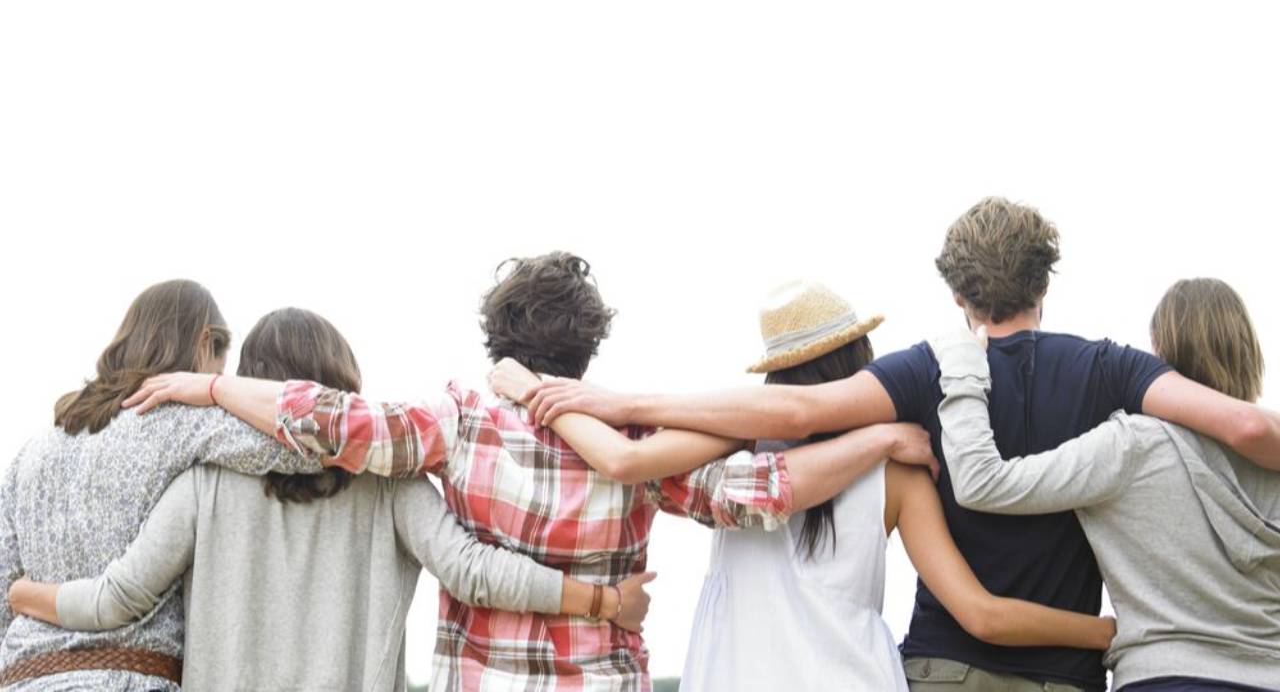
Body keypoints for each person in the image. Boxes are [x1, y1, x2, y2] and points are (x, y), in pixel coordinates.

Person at [511, 199, 1280, 692]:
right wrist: (1114, 633)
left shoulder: (921, 375)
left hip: (933, 669)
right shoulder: (1109, 371)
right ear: (1045, 283)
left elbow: (792, 413)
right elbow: (1241, 427)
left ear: (959, 296)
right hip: (1048, 674)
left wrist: (613, 400)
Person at [114, 253, 937, 692]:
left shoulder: (459, 419)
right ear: (588, 346)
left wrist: (212, 386)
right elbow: (762, 493)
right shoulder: (634, 437)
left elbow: (334, 420)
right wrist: (877, 437)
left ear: (498, 340)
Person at [487, 280, 1118, 691]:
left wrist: (534, 389)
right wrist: (1108, 631)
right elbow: (980, 614)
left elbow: (624, 460)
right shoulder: (896, 467)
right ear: (860, 362)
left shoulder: (732, 449)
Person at [6, 307, 653, 691]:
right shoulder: (390, 485)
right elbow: (472, 571)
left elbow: (119, 597)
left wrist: (22, 593)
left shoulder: (203, 484)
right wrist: (602, 601)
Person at [930, 278, 1280, 692]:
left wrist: (963, 367)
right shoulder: (1272, 456)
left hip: (1165, 677)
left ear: (1159, 353)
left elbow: (983, 482)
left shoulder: (1132, 446)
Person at [0, 280, 325, 691]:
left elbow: (4, 591)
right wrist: (219, 392)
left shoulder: (31, 453)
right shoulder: (181, 423)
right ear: (204, 343)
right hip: (130, 679)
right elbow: (312, 442)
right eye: (219, 365)